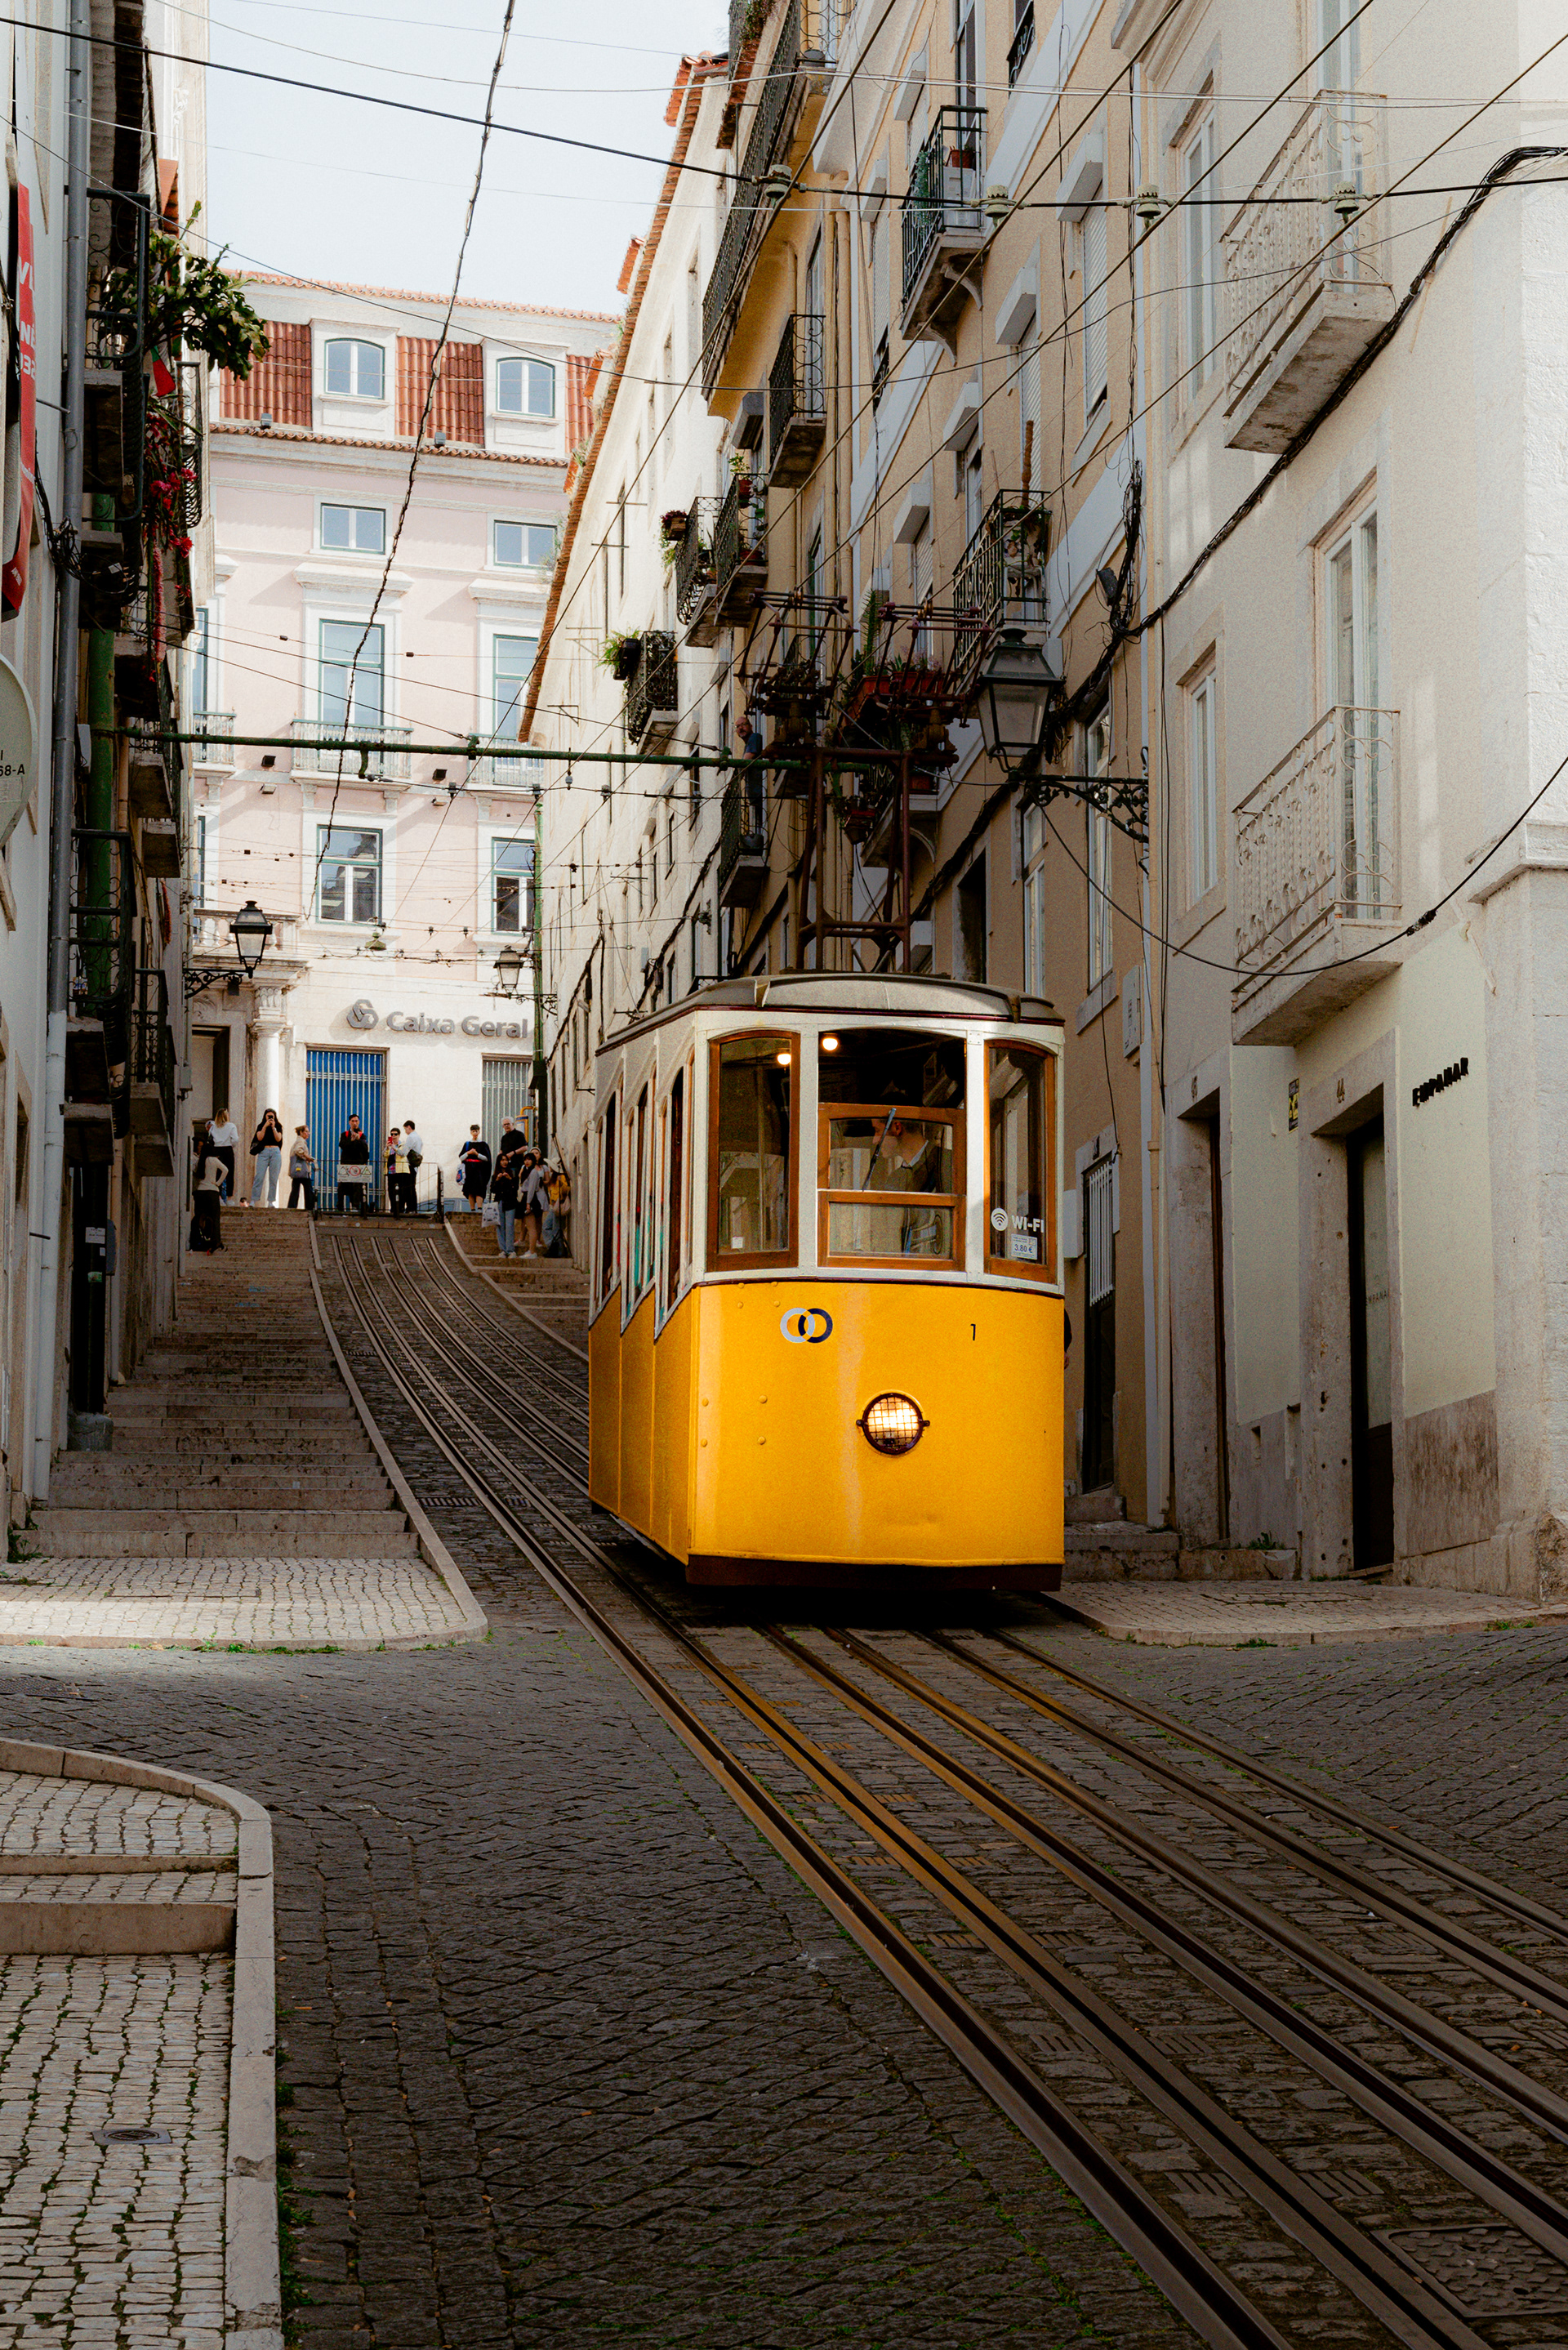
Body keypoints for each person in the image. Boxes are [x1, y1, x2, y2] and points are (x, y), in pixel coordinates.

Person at [490, 1123, 528, 1258]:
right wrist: (498, 1179)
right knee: (500, 1227)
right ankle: (503, 1250)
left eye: (506, 1160)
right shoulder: (496, 1175)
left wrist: (509, 1179)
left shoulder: (512, 1173)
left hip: (510, 1202)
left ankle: (510, 1250)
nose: (504, 1162)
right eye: (502, 1160)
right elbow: (493, 1189)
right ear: (499, 1162)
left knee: (510, 1226)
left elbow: (515, 1188)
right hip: (499, 1201)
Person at [192, 1134, 228, 1252]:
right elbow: (225, 1170)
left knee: (200, 1218)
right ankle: (215, 1241)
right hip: (212, 1191)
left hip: (201, 1192)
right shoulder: (213, 1160)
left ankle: (199, 1240)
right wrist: (218, 1183)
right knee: (215, 1218)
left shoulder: (200, 1161)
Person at [249, 1108, 284, 1207]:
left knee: (273, 1178)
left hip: (275, 1152)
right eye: (268, 1116)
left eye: (271, 1116)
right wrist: (265, 1126)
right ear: (265, 1116)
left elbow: (278, 1139)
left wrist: (273, 1128)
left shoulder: (278, 1126)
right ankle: (254, 1200)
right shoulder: (261, 1126)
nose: (270, 1118)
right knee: (259, 1176)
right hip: (263, 1151)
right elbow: (259, 1137)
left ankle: (271, 1201)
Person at [337, 1114, 371, 1215]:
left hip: (358, 1164)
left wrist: (358, 1140)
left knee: (357, 1187)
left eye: (356, 1121)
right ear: (349, 1122)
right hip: (346, 1164)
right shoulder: (345, 1135)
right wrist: (351, 1141)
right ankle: (340, 1208)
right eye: (353, 1121)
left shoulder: (362, 1135)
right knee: (342, 1187)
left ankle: (356, 1206)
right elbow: (342, 1145)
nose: (355, 1123)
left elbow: (365, 1148)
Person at [520, 1152, 550, 1259]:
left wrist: (528, 1203)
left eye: (529, 1159)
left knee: (531, 1227)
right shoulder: (527, 1171)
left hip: (531, 1199)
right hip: (528, 1198)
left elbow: (532, 1188)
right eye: (525, 1159)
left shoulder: (533, 1172)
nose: (527, 1162)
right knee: (529, 1225)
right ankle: (531, 1249)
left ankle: (532, 1251)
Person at [457, 1126, 492, 1212]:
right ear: (471, 1132)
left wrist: (477, 1154)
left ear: (479, 1132)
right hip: (469, 1171)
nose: (475, 1133)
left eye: (476, 1131)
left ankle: (479, 1208)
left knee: (479, 1190)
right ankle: (472, 1209)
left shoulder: (483, 1144)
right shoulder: (467, 1144)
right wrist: (468, 1153)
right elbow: (461, 1157)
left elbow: (487, 1158)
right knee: (470, 1190)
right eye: (473, 1131)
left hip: (480, 1171)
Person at [208, 1107, 238, 1202]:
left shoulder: (213, 1127)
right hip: (227, 1149)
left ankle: (219, 1196)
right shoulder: (231, 1126)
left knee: (217, 1173)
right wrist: (231, 1145)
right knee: (229, 1174)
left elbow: (210, 1140)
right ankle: (229, 1198)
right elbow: (235, 1139)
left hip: (217, 1150)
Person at [287, 1127, 317, 1212]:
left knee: (295, 1189)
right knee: (308, 1188)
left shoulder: (297, 1141)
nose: (308, 1133)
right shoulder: (301, 1141)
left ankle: (292, 1206)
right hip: (302, 1170)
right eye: (306, 1132)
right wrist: (307, 1157)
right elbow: (298, 1150)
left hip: (297, 1171)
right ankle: (309, 1207)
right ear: (301, 1132)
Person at [385, 1128, 410, 1216]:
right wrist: (387, 1147)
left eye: (395, 1134)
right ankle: (393, 1208)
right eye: (392, 1134)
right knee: (391, 1190)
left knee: (402, 1191)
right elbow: (385, 1155)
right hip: (391, 1171)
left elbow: (403, 1154)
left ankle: (401, 1208)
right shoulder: (390, 1146)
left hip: (401, 1171)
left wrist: (394, 1148)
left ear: (399, 1135)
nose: (393, 1136)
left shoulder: (403, 1145)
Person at [402, 1120, 424, 1215]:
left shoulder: (410, 1137)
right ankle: (413, 1208)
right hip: (415, 1165)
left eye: (405, 1129)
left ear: (409, 1127)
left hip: (410, 1165)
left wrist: (395, 1148)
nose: (405, 1131)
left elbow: (403, 1152)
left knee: (408, 1187)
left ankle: (410, 1208)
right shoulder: (418, 1137)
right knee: (412, 1187)